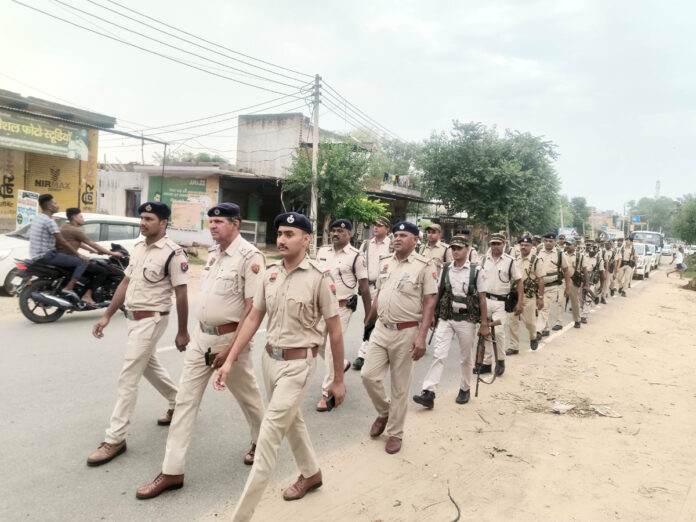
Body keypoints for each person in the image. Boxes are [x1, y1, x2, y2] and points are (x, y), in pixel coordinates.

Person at [212, 212, 346, 522]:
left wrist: (337, 380)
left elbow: (335, 332)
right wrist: (229, 360)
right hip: (270, 361)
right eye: (280, 233)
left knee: (269, 436)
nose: (281, 239)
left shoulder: (320, 276)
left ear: (306, 239)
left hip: (300, 365)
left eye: (289, 234)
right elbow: (253, 318)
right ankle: (311, 473)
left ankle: (240, 517)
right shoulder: (270, 274)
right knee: (292, 420)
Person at [135, 203, 265, 499]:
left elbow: (252, 309)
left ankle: (261, 441)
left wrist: (230, 350)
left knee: (249, 398)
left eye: (219, 221)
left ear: (236, 223)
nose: (213, 226)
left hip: (231, 341)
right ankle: (172, 471)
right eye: (211, 221)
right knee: (184, 403)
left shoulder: (250, 257)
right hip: (200, 339)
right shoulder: (213, 254)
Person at [88, 202, 189, 466]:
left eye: (149, 219)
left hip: (152, 319)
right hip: (133, 319)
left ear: (163, 223)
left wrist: (182, 331)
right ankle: (179, 402)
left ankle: (115, 439)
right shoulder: (139, 248)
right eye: (141, 218)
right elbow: (125, 282)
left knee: (128, 377)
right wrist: (107, 315)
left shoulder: (174, 254)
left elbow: (181, 294)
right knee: (146, 365)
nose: (143, 222)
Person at [361, 221, 438, 454]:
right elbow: (380, 294)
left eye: (403, 235)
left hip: (407, 331)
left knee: (400, 386)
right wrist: (369, 321)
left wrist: (422, 336)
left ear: (416, 240)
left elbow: (430, 301)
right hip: (382, 329)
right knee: (368, 376)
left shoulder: (425, 265)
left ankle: (395, 432)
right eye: (396, 235)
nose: (397, 238)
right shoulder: (385, 262)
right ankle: (384, 412)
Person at [412, 235, 489, 408]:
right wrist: (432, 315)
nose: (455, 251)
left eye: (459, 248)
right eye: (453, 248)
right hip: (447, 317)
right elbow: (438, 293)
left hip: (467, 319)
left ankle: (464, 388)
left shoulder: (476, 270)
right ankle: (429, 392)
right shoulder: (446, 268)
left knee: (465, 357)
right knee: (439, 354)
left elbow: (482, 299)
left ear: (467, 250)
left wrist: (484, 324)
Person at [314, 218, 370, 411]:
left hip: (342, 308)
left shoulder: (356, 256)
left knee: (331, 348)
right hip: (321, 307)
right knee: (315, 342)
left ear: (350, 234)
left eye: (341, 231)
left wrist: (368, 316)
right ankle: (343, 363)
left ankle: (326, 393)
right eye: (334, 230)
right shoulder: (322, 252)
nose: (336, 233)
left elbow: (364, 286)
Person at [476, 233, 522, 375]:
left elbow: (519, 281)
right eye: (493, 244)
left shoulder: (510, 261)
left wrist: (520, 302)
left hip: (501, 303)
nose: (495, 246)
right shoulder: (483, 260)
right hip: (485, 301)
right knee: (485, 333)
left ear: (504, 244)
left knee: (499, 332)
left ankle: (500, 360)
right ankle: (486, 363)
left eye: (498, 244)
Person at [58, 207, 124, 304]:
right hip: (71, 261)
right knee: (103, 271)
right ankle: (87, 295)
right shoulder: (76, 231)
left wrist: (93, 251)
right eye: (81, 216)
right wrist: (113, 253)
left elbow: (78, 243)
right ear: (75, 218)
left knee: (92, 266)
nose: (82, 218)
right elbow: (92, 243)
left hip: (64, 259)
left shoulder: (65, 227)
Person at [29, 194, 88, 297]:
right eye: (55, 203)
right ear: (49, 206)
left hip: (35, 254)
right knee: (82, 262)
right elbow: (62, 241)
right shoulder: (49, 221)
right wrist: (79, 255)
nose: (57, 205)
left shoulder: (38, 218)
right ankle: (69, 288)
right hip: (46, 255)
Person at [353, 217, 391, 371]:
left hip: (384, 287)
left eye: (380, 226)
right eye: (375, 225)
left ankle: (364, 353)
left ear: (387, 229)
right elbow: (360, 264)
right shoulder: (366, 244)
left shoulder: (392, 246)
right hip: (367, 286)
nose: (376, 227)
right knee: (369, 317)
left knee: (377, 318)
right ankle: (367, 350)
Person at [506, 235, 545, 354]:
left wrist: (541, 298)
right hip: (515, 296)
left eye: (526, 245)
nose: (523, 247)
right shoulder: (515, 260)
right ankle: (514, 346)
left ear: (531, 246)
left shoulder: (536, 261)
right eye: (521, 245)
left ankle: (533, 337)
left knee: (529, 322)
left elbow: (541, 280)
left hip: (528, 296)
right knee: (512, 321)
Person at [535, 232, 571, 337]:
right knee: (540, 307)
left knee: (544, 308)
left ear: (554, 242)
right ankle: (545, 328)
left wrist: (567, 287)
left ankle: (538, 331)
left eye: (550, 241)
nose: (548, 243)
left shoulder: (560, 254)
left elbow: (566, 271)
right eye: (546, 241)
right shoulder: (538, 251)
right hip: (539, 285)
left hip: (552, 285)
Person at [565, 238, 589, 328]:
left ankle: (577, 320)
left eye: (569, 244)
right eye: (566, 244)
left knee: (575, 302)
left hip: (574, 280)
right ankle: (558, 322)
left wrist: (587, 284)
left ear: (575, 245)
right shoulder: (563, 255)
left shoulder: (580, 256)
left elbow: (585, 271)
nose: (567, 246)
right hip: (563, 280)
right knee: (560, 302)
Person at [581, 241, 605, 323]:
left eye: (594, 251)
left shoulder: (599, 260)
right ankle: (580, 311)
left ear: (597, 251)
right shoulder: (583, 256)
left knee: (588, 297)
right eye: (591, 250)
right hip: (581, 278)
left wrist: (601, 286)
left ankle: (584, 315)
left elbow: (602, 274)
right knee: (580, 297)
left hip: (591, 280)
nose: (592, 252)